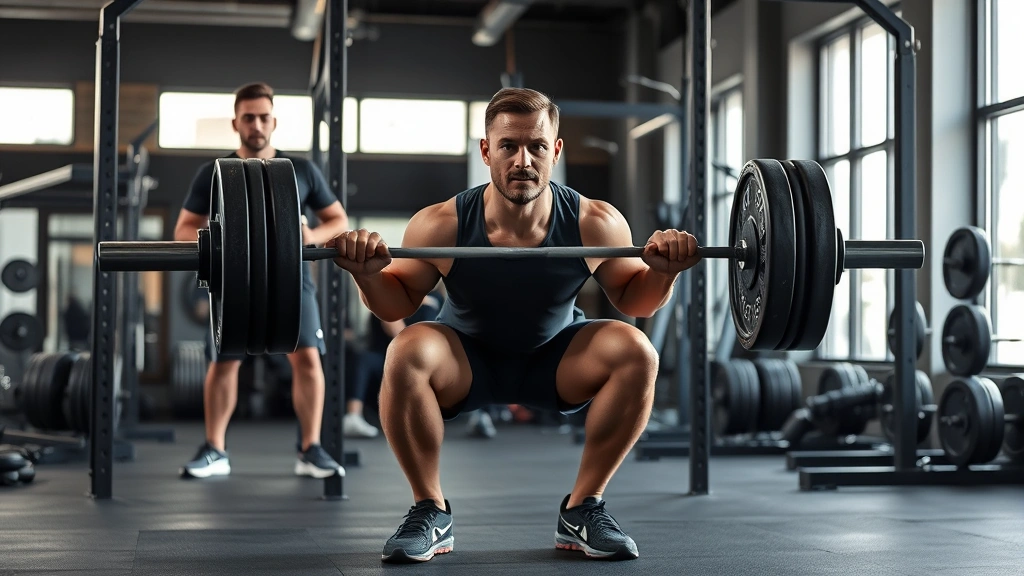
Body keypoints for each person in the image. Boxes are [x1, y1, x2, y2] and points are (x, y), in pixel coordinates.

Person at [326, 87, 700, 563]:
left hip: (556, 360)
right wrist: (367, 274)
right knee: (406, 350)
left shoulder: (594, 222)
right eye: (508, 146)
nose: (523, 160)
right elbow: (394, 303)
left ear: (556, 151)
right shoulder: (441, 223)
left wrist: (664, 270)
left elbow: (634, 298)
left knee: (637, 350)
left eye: (537, 146)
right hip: (466, 360)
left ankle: (584, 508)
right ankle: (430, 510)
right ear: (486, 150)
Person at [175, 82, 350, 480]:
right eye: (249, 117)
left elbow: (337, 220)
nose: (257, 124)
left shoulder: (301, 170)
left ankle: (311, 449)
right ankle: (215, 450)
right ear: (236, 122)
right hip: (233, 281)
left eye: (264, 117)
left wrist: (311, 236)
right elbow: (184, 229)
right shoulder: (213, 173)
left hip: (293, 280)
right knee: (223, 361)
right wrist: (218, 240)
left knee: (307, 359)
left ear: (275, 121)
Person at [345, 288, 446, 438]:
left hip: (416, 362)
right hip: (385, 361)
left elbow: (415, 343)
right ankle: (353, 416)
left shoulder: (434, 299)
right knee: (363, 359)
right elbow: (396, 333)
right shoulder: (386, 295)